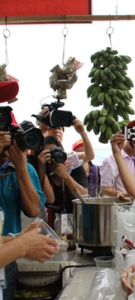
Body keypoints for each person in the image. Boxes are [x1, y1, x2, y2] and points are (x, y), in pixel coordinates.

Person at [0, 82, 48, 299]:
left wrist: (20, 166)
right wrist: (22, 244)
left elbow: (32, 209)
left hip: (7, 259)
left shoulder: (22, 168)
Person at [40, 136, 88, 234]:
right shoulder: (42, 172)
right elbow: (50, 199)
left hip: (76, 222)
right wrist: (42, 169)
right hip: (52, 223)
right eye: (48, 154)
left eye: (55, 152)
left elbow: (84, 196)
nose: (52, 157)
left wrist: (66, 176)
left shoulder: (73, 165)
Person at [101, 128, 135, 197]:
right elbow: (105, 189)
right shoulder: (111, 159)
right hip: (123, 204)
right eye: (132, 141)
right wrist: (128, 195)